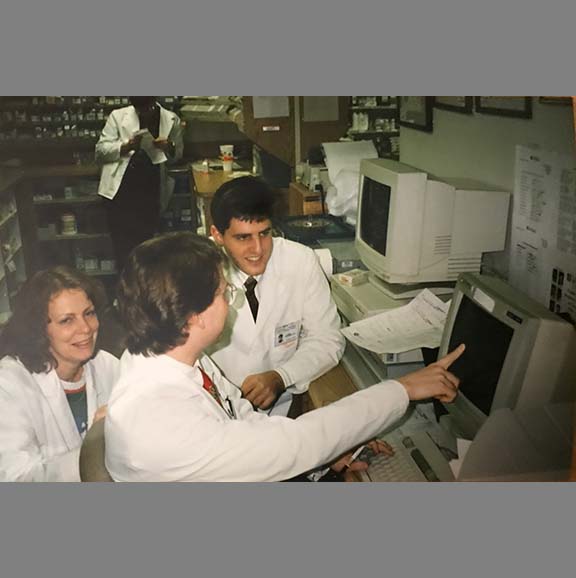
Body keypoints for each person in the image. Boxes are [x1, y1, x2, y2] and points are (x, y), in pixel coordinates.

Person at [105, 232, 464, 482]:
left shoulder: (170, 354)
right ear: (194, 316)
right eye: (221, 292)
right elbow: (293, 445)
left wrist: (326, 455)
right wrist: (402, 389)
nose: (230, 298)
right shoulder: (160, 418)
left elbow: (239, 417)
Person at [207, 176, 345, 417]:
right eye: (243, 237)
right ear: (218, 235)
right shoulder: (198, 271)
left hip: (280, 413)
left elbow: (328, 339)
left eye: (264, 233)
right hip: (216, 414)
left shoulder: (300, 261)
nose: (258, 249)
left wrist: (282, 376)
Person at [0, 267, 120, 482]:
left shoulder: (107, 366)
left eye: (89, 313)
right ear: (38, 329)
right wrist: (98, 446)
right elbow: (15, 478)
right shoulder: (8, 384)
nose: (85, 328)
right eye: (67, 320)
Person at [95, 96, 183, 270]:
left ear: (153, 102)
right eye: (138, 109)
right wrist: (125, 147)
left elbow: (177, 155)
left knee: (147, 246)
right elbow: (100, 151)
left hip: (150, 190)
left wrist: (169, 147)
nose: (142, 112)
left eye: (146, 108)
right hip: (121, 192)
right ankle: (124, 289)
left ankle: (144, 289)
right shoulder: (117, 116)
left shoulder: (172, 119)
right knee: (122, 246)